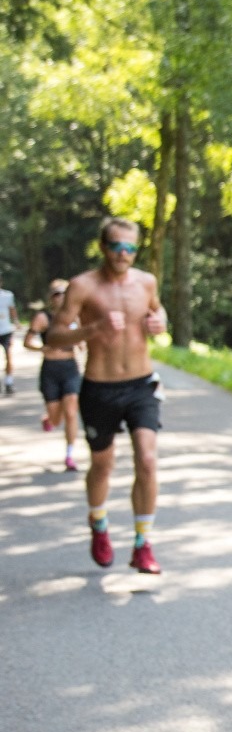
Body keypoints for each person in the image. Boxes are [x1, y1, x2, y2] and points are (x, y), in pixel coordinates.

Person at [46, 218, 167, 573]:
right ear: (103, 247)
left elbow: (158, 309)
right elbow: (53, 336)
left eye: (130, 248)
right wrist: (92, 329)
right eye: (116, 246)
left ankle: (143, 544)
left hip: (142, 384)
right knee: (103, 465)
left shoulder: (146, 282)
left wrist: (160, 321)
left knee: (147, 459)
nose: (123, 254)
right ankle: (99, 523)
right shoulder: (82, 286)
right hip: (99, 387)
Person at [25, 279, 83, 471]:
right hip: (50, 369)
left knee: (71, 411)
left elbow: (82, 339)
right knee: (57, 418)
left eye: (65, 293)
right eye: (57, 294)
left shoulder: (74, 317)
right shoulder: (43, 318)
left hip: (70, 368)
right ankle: (49, 419)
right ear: (51, 298)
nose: (61, 297)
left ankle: (69, 455)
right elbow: (27, 341)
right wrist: (42, 348)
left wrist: (81, 343)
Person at [0, 271, 17, 394]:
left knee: (8, 355)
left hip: (6, 330)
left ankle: (9, 382)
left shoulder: (7, 295)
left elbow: (12, 309)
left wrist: (16, 321)